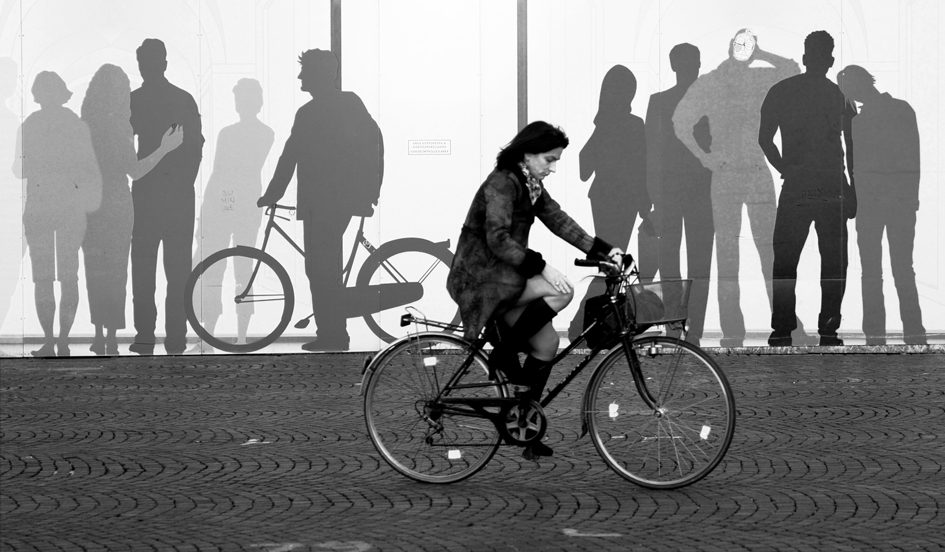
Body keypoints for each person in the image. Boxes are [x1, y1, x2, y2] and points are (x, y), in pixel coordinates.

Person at [447, 121, 622, 460]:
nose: (553, 167)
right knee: (562, 290)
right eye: (549, 159)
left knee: (547, 344)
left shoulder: (529, 184)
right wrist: (541, 266)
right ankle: (503, 355)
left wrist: (604, 250)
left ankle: (523, 424)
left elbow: (559, 220)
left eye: (556, 160)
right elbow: (497, 239)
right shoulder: (502, 183)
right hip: (480, 279)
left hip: (505, 278)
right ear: (527, 155)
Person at [673, 29, 803, 347]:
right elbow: (680, 122)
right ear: (732, 48)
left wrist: (706, 159)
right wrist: (706, 159)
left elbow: (792, 70)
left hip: (745, 171)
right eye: (742, 46)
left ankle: (754, 328)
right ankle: (760, 327)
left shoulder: (738, 80)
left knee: (748, 254)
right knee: (749, 254)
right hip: (741, 172)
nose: (746, 50)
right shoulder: (727, 81)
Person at [258, 49, 383, 352]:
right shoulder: (328, 108)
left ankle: (334, 335)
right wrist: (369, 192)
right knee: (321, 267)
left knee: (321, 267)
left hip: (327, 203)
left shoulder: (318, 111)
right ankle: (332, 331)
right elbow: (375, 144)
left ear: (319, 74)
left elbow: (291, 155)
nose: (300, 77)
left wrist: (273, 194)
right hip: (327, 202)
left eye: (305, 71)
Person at [759, 31, 857, 347]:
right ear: (829, 59)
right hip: (830, 188)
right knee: (833, 262)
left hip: (798, 188)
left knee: (786, 261)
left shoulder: (782, 91)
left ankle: (783, 326)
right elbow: (852, 146)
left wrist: (785, 168)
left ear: (804, 57)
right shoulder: (839, 96)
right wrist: (853, 187)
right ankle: (828, 327)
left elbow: (764, 138)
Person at [81, 63, 183, 355]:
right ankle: (112, 335)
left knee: (94, 270)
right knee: (116, 271)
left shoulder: (85, 124)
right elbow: (135, 171)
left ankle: (99, 334)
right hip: (117, 203)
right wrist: (165, 148)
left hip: (90, 203)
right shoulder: (120, 127)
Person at [13, 71, 102, 357]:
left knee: (42, 277)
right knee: (68, 275)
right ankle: (62, 341)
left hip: (39, 207)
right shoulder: (76, 125)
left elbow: (18, 169)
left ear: (39, 94)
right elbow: (89, 168)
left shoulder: (30, 125)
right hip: (70, 207)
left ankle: (50, 341)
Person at [836, 65, 926, 345]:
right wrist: (912, 197)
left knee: (872, 272)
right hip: (898, 201)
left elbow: (856, 166)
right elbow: (913, 158)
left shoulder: (859, 121)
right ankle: (913, 331)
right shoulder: (902, 109)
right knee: (902, 268)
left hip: (871, 203)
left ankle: (875, 334)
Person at [129, 38, 204, 356]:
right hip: (178, 200)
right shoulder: (183, 99)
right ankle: (176, 337)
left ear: (142, 65)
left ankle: (145, 335)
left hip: (145, 196)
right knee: (178, 272)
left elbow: (124, 150)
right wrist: (182, 184)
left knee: (143, 271)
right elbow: (196, 148)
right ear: (164, 63)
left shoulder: (133, 101)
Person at [565, 65, 649, 342]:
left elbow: (583, 168)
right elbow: (641, 167)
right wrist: (644, 204)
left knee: (609, 265)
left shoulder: (604, 124)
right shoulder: (633, 124)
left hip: (602, 198)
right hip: (623, 202)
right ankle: (585, 325)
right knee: (612, 265)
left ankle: (592, 325)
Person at [637, 43, 714, 346]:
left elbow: (649, 150)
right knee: (698, 264)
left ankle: (674, 323)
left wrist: (649, 195)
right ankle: (692, 327)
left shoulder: (659, 102)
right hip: (698, 192)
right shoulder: (710, 102)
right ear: (697, 64)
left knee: (671, 259)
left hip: (670, 191)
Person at [190, 78, 273, 353]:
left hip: (225, 203)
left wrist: (204, 212)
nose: (238, 104)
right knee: (242, 269)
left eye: (240, 98)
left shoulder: (229, 133)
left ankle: (209, 337)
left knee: (216, 268)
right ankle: (240, 338)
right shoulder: (266, 133)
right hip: (249, 203)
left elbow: (219, 173)